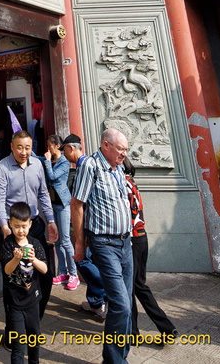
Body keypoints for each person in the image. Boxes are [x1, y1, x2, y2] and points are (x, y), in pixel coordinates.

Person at [71, 128, 133, 364]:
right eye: (120, 149)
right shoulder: (91, 166)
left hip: (125, 242)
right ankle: (114, 361)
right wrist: (80, 243)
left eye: (126, 150)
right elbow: (77, 205)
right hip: (104, 243)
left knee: (127, 301)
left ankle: (121, 356)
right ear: (106, 145)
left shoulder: (118, 169)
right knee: (121, 305)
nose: (124, 154)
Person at [0, 129, 58, 319]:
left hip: (35, 226)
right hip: (12, 229)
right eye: (19, 147)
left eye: (27, 148)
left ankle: (36, 318)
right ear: (12, 147)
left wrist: (51, 220)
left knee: (45, 274)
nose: (24, 152)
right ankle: (12, 327)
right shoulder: (3, 167)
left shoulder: (37, 164)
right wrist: (4, 226)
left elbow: (43, 194)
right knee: (13, 279)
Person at [123, 157, 177, 342]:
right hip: (141, 237)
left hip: (131, 240)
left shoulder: (122, 185)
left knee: (131, 287)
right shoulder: (133, 184)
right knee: (139, 285)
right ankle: (165, 328)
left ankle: (134, 332)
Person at [61, 133, 108, 319]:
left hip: (91, 224)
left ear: (71, 148)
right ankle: (96, 300)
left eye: (64, 150)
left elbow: (78, 203)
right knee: (92, 260)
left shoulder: (85, 166)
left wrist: (79, 235)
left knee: (83, 259)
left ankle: (105, 292)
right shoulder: (90, 164)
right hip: (92, 224)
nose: (64, 154)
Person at [0, 201, 48, 364]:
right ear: (10, 224)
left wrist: (33, 259)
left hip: (33, 301)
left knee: (34, 342)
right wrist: (15, 258)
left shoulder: (35, 243)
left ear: (30, 224)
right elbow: (7, 270)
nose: (20, 230)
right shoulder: (8, 244)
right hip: (14, 303)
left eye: (24, 226)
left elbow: (44, 269)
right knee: (18, 346)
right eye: (16, 226)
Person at [42, 135, 79, 290]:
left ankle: (74, 274)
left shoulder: (64, 162)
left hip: (63, 204)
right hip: (53, 203)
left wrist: (46, 161)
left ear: (57, 146)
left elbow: (52, 176)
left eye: (50, 145)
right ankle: (62, 272)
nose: (48, 149)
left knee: (65, 240)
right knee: (56, 241)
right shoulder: (50, 161)